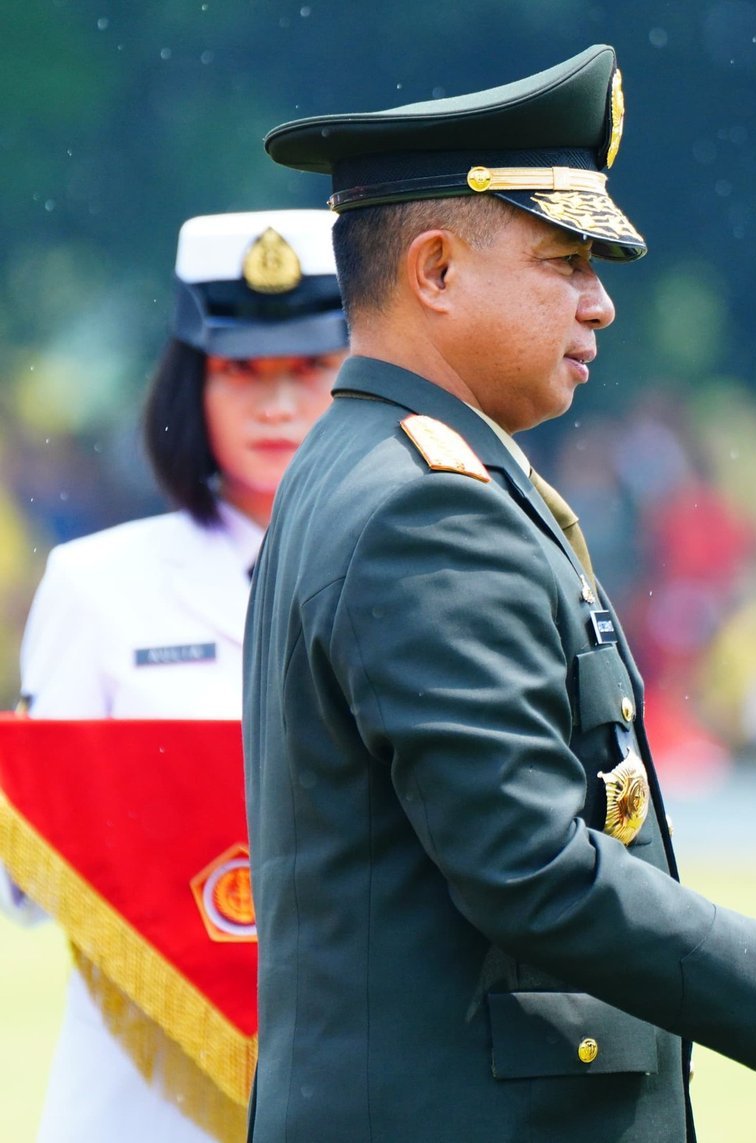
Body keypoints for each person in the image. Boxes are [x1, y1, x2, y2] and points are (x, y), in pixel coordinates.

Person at [243, 44, 756, 1143]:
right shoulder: (427, 505)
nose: (600, 307)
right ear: (435, 271)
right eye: (564, 262)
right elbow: (534, 869)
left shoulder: (370, 463)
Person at [4, 209, 346, 1141]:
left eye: (311, 367)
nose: (276, 404)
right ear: (189, 385)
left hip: (361, 1074)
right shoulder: (96, 586)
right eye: (241, 371)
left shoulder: (424, 575)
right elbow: (23, 882)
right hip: (147, 1098)